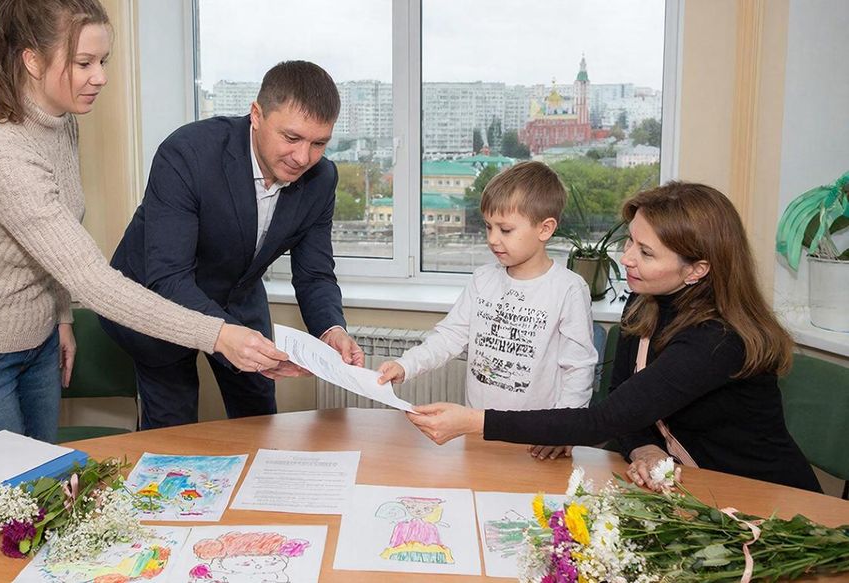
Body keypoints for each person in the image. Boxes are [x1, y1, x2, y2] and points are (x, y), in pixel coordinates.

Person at [0, 0, 286, 451]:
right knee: (8, 490)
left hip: (37, 341)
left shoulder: (60, 122)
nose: (101, 77)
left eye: (103, 61)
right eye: (83, 62)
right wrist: (219, 335)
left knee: (42, 481)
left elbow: (50, 239)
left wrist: (61, 317)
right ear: (32, 60)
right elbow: (91, 278)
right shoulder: (0, 153)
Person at [406, 182, 822, 493]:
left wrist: (474, 421)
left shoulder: (717, 340)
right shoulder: (643, 303)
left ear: (697, 270)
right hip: (692, 488)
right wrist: (643, 448)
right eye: (630, 242)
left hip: (762, 495)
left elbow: (603, 420)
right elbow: (627, 402)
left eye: (646, 252)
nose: (626, 259)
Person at [101, 60, 363, 429]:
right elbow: (169, 276)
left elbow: (315, 274)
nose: (303, 157)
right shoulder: (187, 153)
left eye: (319, 143)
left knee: (259, 416)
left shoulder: (321, 179)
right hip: (158, 299)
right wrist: (222, 335)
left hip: (238, 296)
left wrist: (331, 329)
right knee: (173, 427)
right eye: (291, 138)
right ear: (256, 115)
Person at [377, 161, 597, 460]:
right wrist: (406, 365)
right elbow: (449, 336)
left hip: (535, 443)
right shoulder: (483, 279)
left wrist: (563, 431)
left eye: (505, 229)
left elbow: (578, 370)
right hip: (478, 433)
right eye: (488, 227)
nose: (493, 239)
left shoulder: (568, 289)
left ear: (545, 228)